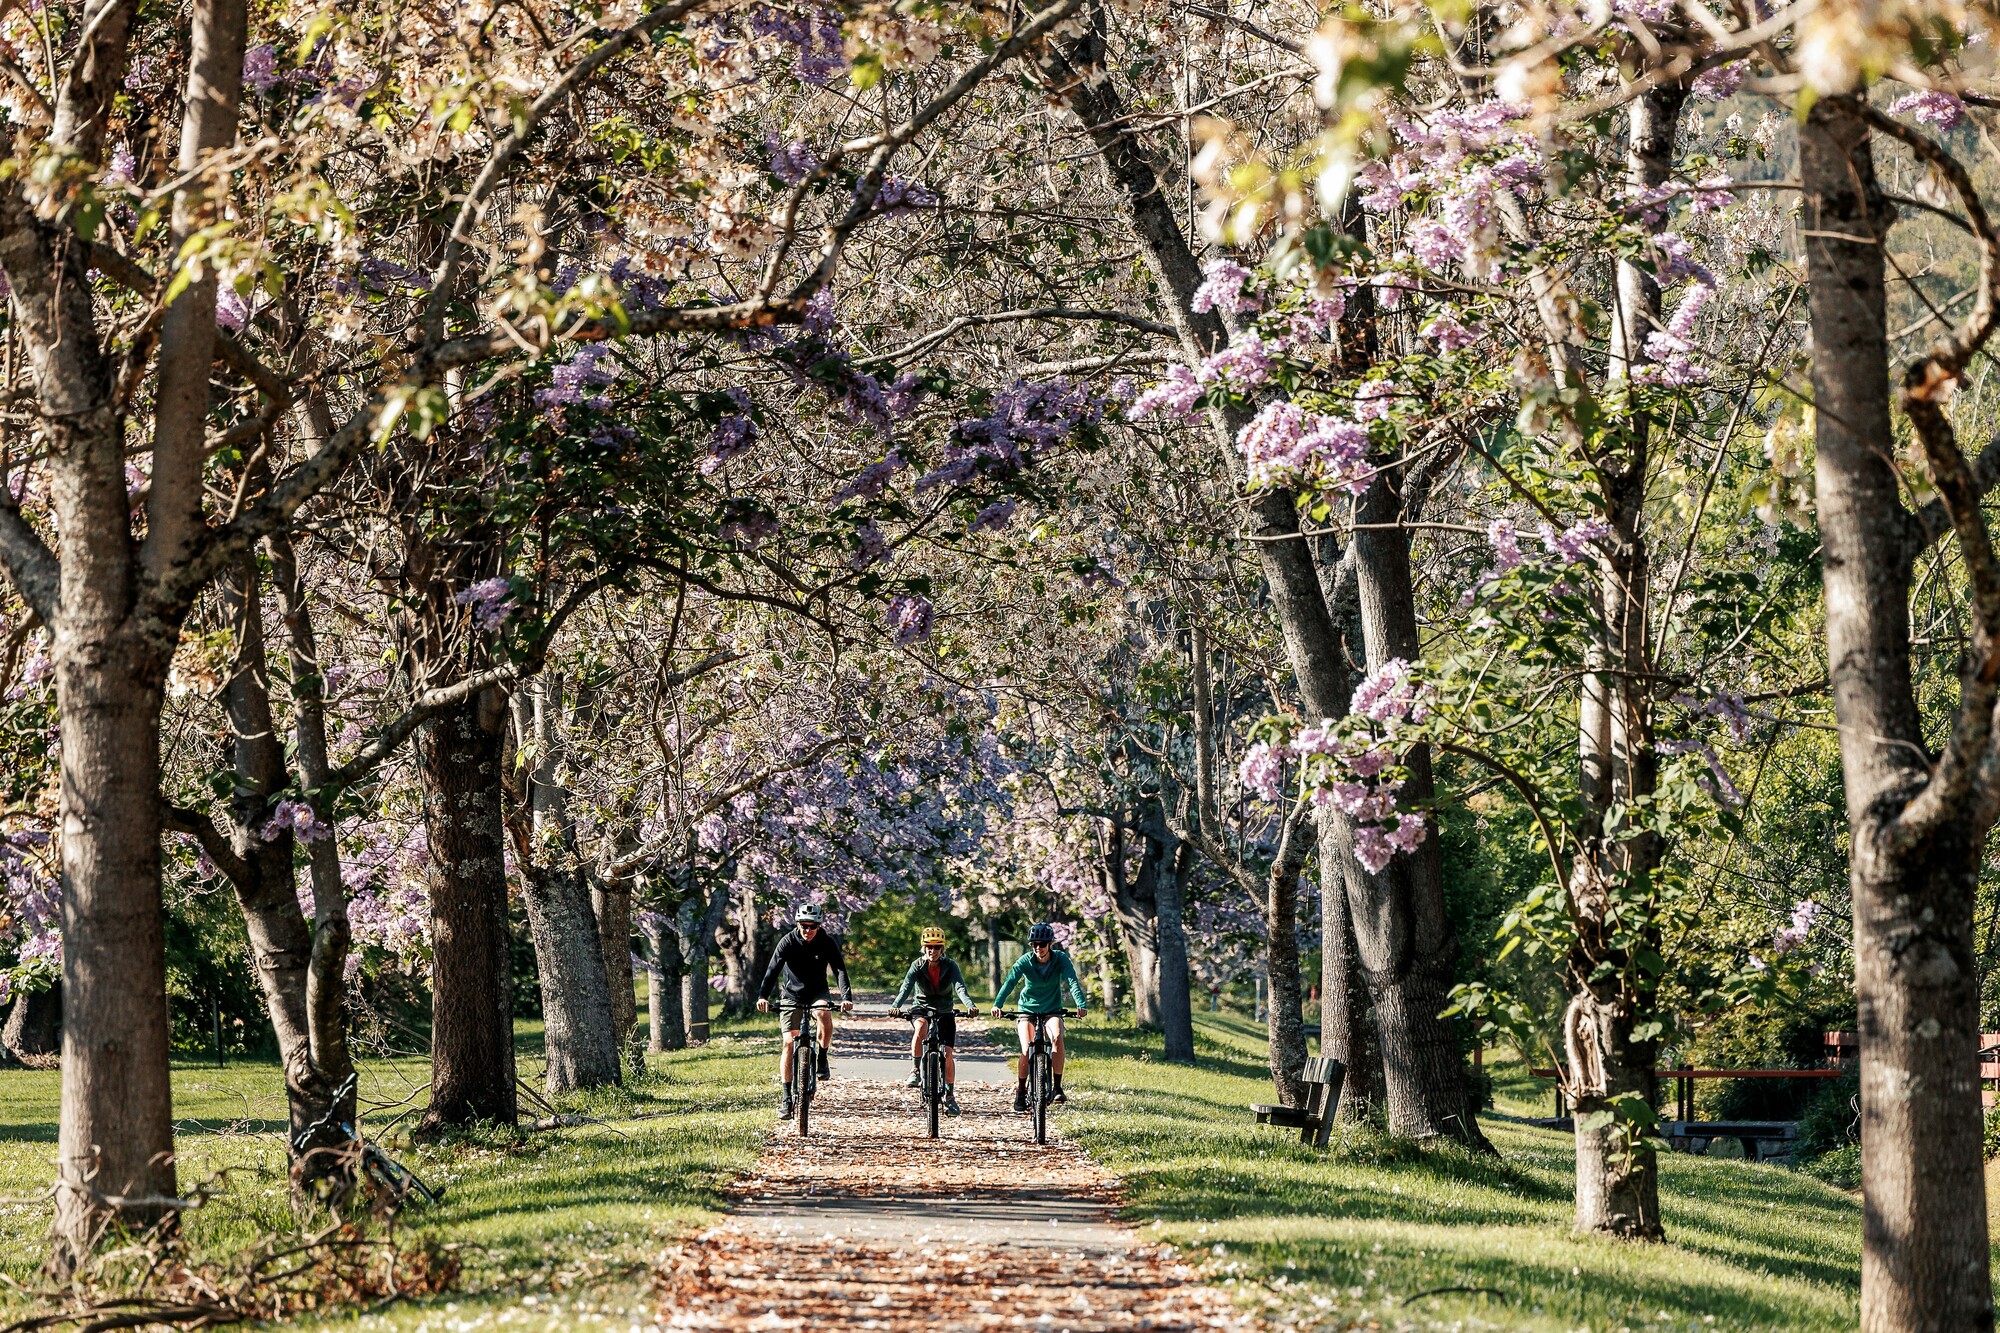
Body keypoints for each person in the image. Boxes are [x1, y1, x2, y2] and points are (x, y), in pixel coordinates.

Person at [756, 903, 853, 1118]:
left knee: (823, 1013)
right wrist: (763, 996)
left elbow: (840, 970)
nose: (807, 931)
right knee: (789, 1043)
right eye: (803, 926)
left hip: (818, 992)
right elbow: (772, 970)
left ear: (818, 926)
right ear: (797, 924)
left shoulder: (826, 942)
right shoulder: (787, 942)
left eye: (812, 926)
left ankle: (822, 1057)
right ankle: (786, 1097)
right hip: (791, 995)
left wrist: (846, 998)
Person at [992, 922, 1087, 1113]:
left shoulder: (1060, 959)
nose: (1037, 948)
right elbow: (1010, 982)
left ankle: (1057, 1087)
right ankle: (1021, 1090)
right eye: (1034, 944)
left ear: (1049, 944)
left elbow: (1072, 981)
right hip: (1027, 1009)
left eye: (1041, 944)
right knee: (1027, 1050)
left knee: (1057, 1037)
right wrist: (997, 1004)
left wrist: (1080, 1003)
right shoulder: (1025, 961)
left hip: (1052, 1009)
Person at [891, 926, 977, 1117]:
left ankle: (950, 1096)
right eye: (929, 947)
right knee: (921, 1027)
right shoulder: (917, 965)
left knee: (947, 1054)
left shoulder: (950, 965)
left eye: (937, 947)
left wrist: (970, 1005)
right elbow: (906, 987)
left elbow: (960, 987)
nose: (933, 951)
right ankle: (915, 1070)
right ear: (924, 948)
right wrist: (896, 1005)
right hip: (922, 1007)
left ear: (942, 949)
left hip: (945, 1010)